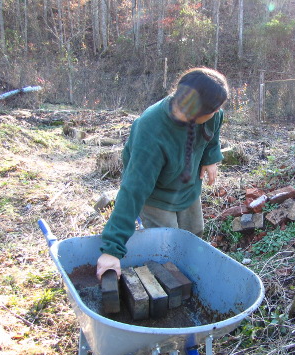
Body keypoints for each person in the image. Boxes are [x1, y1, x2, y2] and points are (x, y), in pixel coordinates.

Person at [96, 67, 229, 280]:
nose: (218, 112)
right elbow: (133, 190)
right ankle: (169, 285)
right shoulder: (151, 131)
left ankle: (191, 279)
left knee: (193, 235)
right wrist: (112, 250)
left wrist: (211, 156)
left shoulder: (211, 112)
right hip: (155, 195)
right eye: (213, 111)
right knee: (168, 249)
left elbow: (213, 130)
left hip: (188, 186)